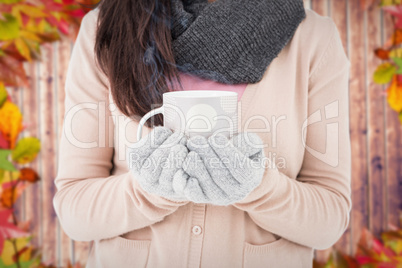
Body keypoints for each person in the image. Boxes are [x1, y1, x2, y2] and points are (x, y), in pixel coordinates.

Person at [53, 0, 352, 267]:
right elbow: (74, 211)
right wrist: (147, 192)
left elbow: (329, 219)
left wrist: (258, 188)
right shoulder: (106, 28)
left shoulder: (313, 39)